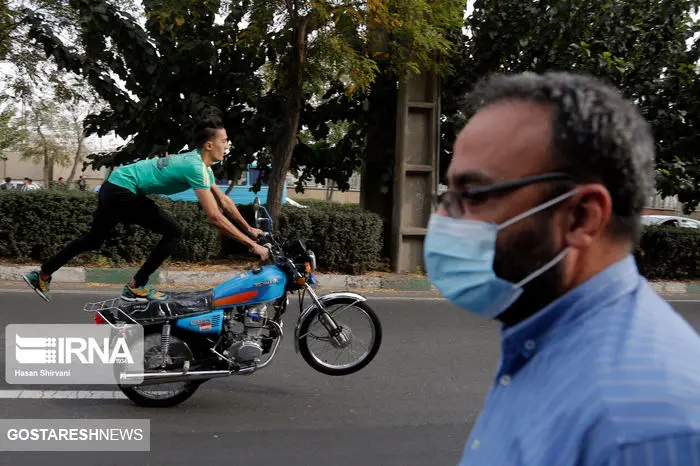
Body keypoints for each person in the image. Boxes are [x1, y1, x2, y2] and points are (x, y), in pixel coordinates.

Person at [424, 72, 700, 465]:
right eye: (448, 195)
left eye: (473, 196)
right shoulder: (541, 335)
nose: (443, 218)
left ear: (580, 217)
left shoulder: (643, 428)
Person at [24, 116, 268, 303]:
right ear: (208, 144)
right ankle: (137, 284)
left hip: (116, 185)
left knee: (93, 240)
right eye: (224, 141)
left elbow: (223, 202)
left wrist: (249, 228)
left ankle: (42, 275)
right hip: (123, 190)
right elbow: (214, 216)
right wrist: (252, 245)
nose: (227, 145)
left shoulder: (201, 165)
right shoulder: (195, 167)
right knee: (173, 231)